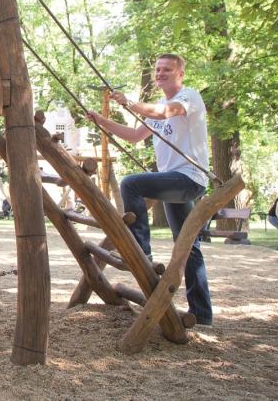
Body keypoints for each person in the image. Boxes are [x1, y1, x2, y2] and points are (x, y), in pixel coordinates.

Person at [87, 53, 214, 326]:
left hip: (189, 177)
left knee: (131, 183)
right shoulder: (157, 107)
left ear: (180, 74)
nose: (160, 73)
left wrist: (131, 104)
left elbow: (168, 112)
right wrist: (101, 121)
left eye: (167, 69)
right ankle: (202, 314)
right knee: (187, 247)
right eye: (157, 69)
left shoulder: (188, 97)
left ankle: (141, 249)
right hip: (173, 180)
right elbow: (134, 137)